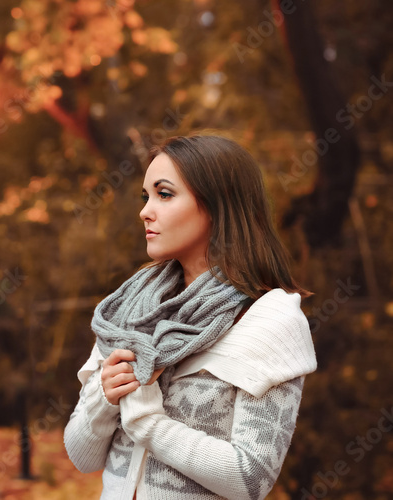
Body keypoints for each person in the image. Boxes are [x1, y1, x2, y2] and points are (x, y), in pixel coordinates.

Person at [63, 133, 317, 500]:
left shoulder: (269, 321)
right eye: (145, 196)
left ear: (219, 205)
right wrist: (104, 397)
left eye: (164, 194)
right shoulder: (133, 311)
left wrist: (148, 422)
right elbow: (82, 456)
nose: (145, 211)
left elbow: (251, 478)